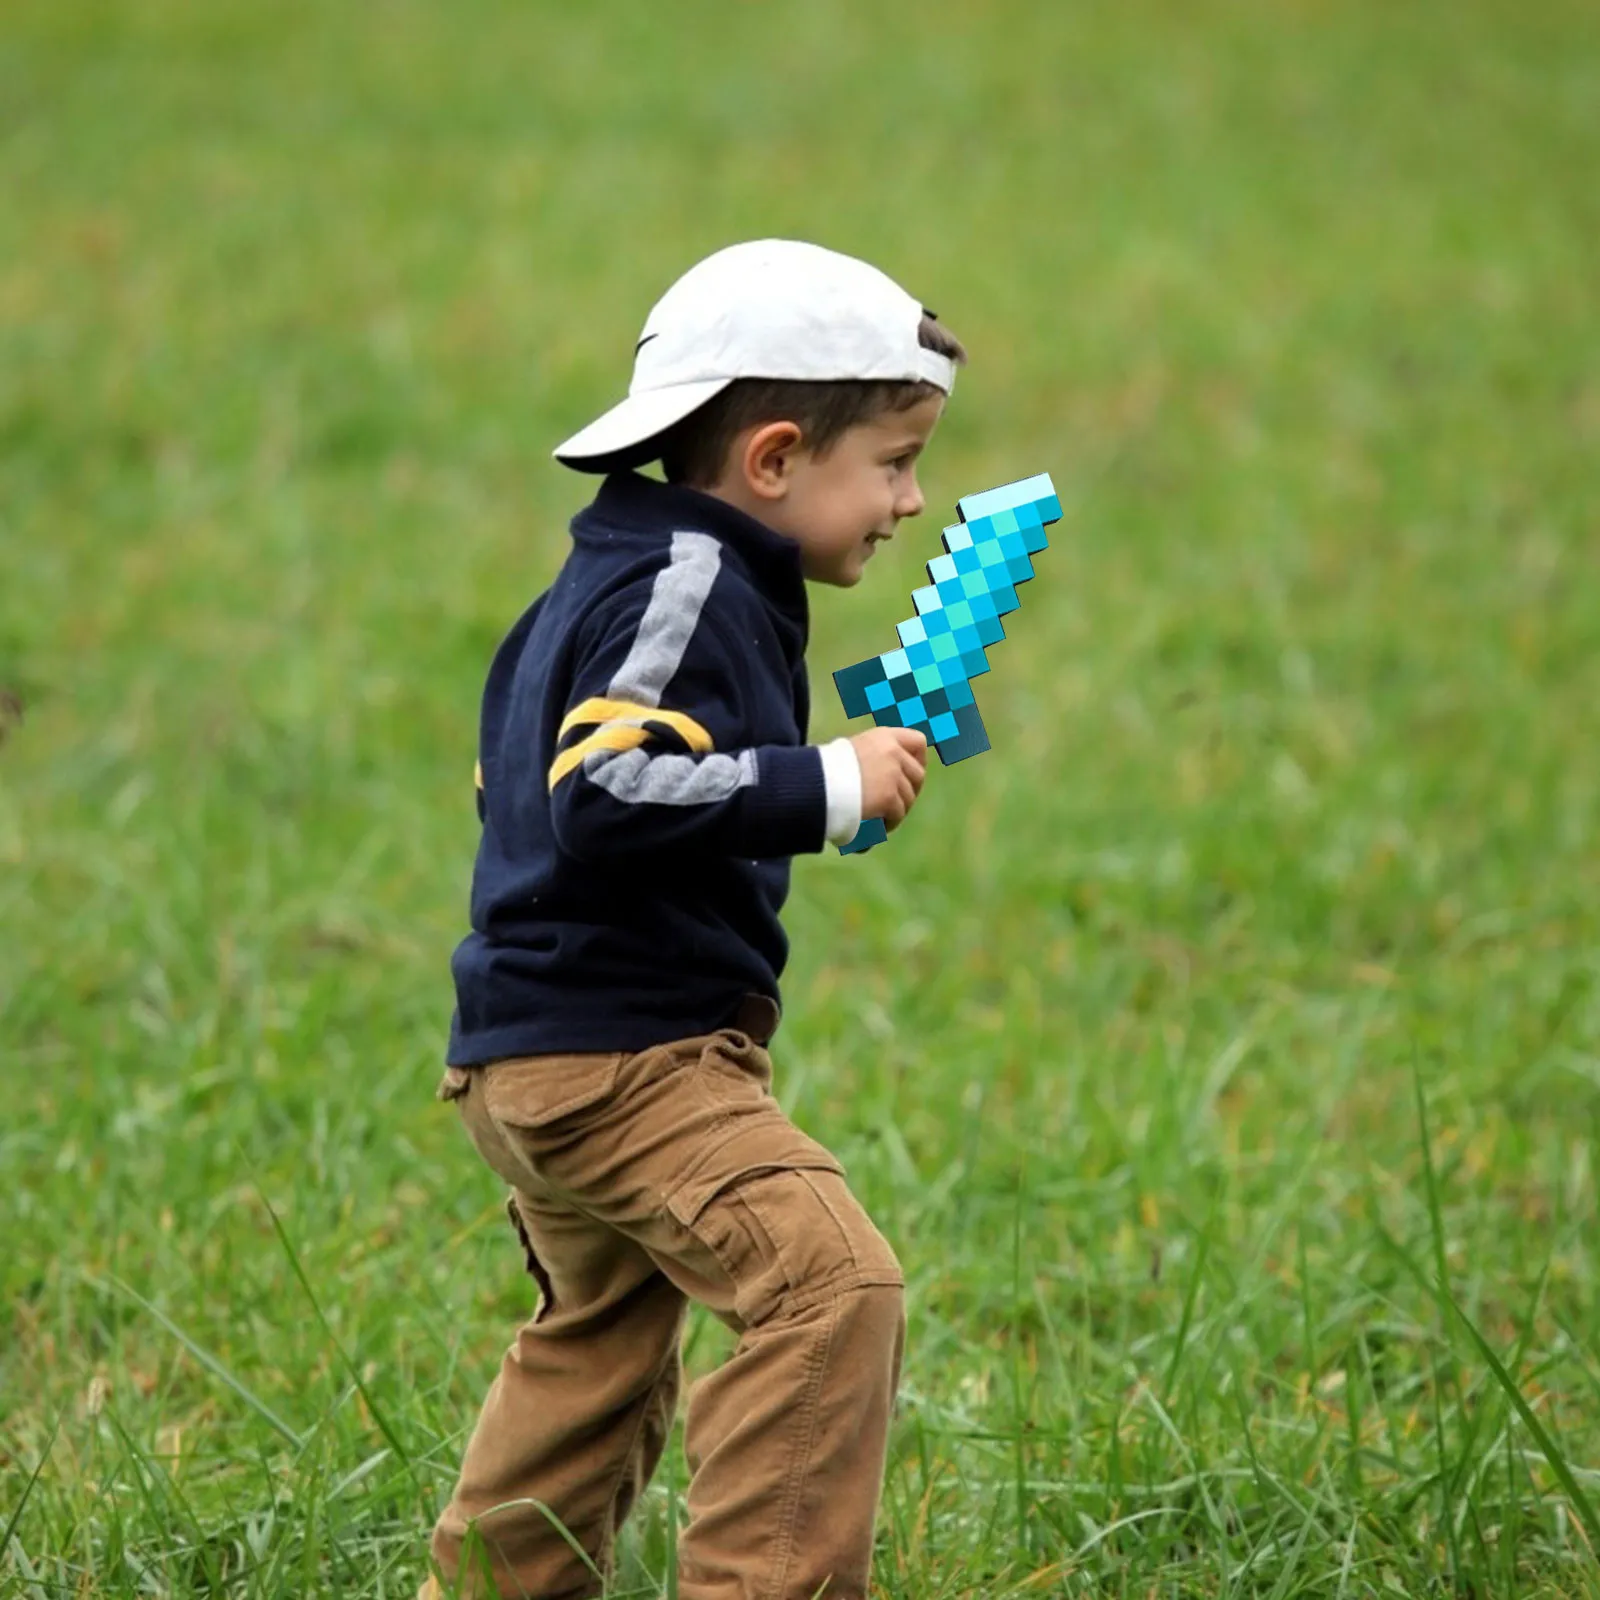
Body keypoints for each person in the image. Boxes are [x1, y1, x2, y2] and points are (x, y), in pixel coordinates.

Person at [424, 238, 967, 1600]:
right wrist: (820, 784)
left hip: (534, 1052)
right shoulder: (689, 582)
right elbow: (600, 788)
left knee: (597, 1351)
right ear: (774, 460)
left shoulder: (616, 573)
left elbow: (512, 778)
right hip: (628, 1058)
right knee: (830, 1288)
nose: (912, 500)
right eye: (895, 462)